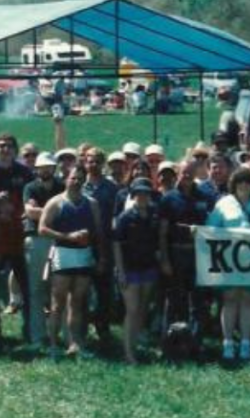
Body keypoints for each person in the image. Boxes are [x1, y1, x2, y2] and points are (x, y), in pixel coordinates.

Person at [206, 168, 250, 361]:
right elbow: (211, 229)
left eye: (247, 182)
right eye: (240, 182)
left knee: (248, 299)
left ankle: (246, 343)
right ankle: (228, 343)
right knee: (229, 299)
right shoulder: (223, 204)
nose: (244, 185)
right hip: (228, 261)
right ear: (234, 184)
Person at [39, 165, 104, 358]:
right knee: (57, 303)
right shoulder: (56, 202)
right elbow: (42, 229)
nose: (76, 182)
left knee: (77, 302)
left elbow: (98, 232)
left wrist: (100, 255)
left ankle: (75, 344)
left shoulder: (91, 203)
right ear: (66, 179)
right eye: (73, 178)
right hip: (63, 254)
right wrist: (67, 236)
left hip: (84, 255)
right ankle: (53, 345)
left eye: (80, 179)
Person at [0, 133, 35, 347]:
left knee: (28, 287)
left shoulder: (24, 172)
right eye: (1, 146)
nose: (5, 149)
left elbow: (32, 198)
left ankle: (31, 332)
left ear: (15, 150)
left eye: (9, 146)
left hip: (19, 236)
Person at [158, 161, 209, 340]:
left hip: (199, 255)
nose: (187, 175)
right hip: (176, 254)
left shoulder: (204, 197)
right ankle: (168, 342)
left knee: (197, 301)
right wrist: (165, 260)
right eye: (184, 172)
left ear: (195, 173)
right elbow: (162, 232)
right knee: (173, 300)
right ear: (177, 173)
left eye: (190, 172)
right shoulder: (168, 198)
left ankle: (195, 342)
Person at [113, 177, 160, 363]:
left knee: (142, 308)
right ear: (133, 195)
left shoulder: (154, 215)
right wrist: (120, 270)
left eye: (146, 193)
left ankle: (136, 343)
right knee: (132, 310)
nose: (142, 196)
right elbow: (116, 244)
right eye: (139, 193)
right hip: (129, 269)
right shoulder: (125, 217)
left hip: (148, 267)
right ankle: (128, 353)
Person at [22, 152, 64, 349]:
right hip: (36, 239)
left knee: (60, 289)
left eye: (49, 167)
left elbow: (67, 209)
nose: (45, 170)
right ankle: (37, 335)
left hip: (58, 240)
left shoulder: (61, 186)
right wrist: (54, 211)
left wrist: (43, 211)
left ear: (54, 168)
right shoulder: (30, 187)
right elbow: (30, 212)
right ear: (37, 169)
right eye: (42, 167)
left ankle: (62, 335)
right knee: (35, 289)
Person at [84, 148, 120, 339]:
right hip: (82, 243)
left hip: (104, 243)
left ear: (103, 163)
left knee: (104, 289)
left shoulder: (112, 188)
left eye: (97, 161)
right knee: (81, 288)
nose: (93, 164)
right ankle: (82, 328)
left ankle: (103, 328)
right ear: (85, 163)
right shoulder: (78, 185)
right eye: (90, 161)